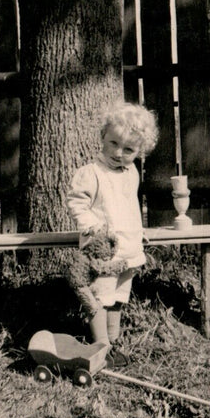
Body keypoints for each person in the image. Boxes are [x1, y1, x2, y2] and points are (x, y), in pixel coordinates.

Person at [67, 102, 158, 365]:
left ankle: (113, 341)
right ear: (103, 138)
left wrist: (138, 232)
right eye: (113, 143)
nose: (119, 153)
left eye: (128, 149)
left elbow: (128, 206)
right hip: (102, 252)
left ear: (140, 151)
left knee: (118, 296)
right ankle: (100, 345)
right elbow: (77, 202)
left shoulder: (131, 173)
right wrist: (89, 226)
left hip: (128, 249)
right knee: (99, 296)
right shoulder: (91, 173)